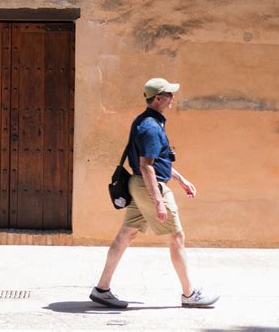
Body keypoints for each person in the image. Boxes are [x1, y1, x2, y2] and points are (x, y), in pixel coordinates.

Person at [90, 77, 219, 309]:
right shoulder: (150, 127)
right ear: (158, 98)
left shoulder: (146, 121)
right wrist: (158, 201)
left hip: (140, 186)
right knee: (176, 237)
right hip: (150, 187)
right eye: (169, 95)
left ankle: (101, 289)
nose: (172, 98)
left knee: (126, 235)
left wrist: (180, 179)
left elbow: (158, 160)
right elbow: (147, 166)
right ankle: (190, 295)